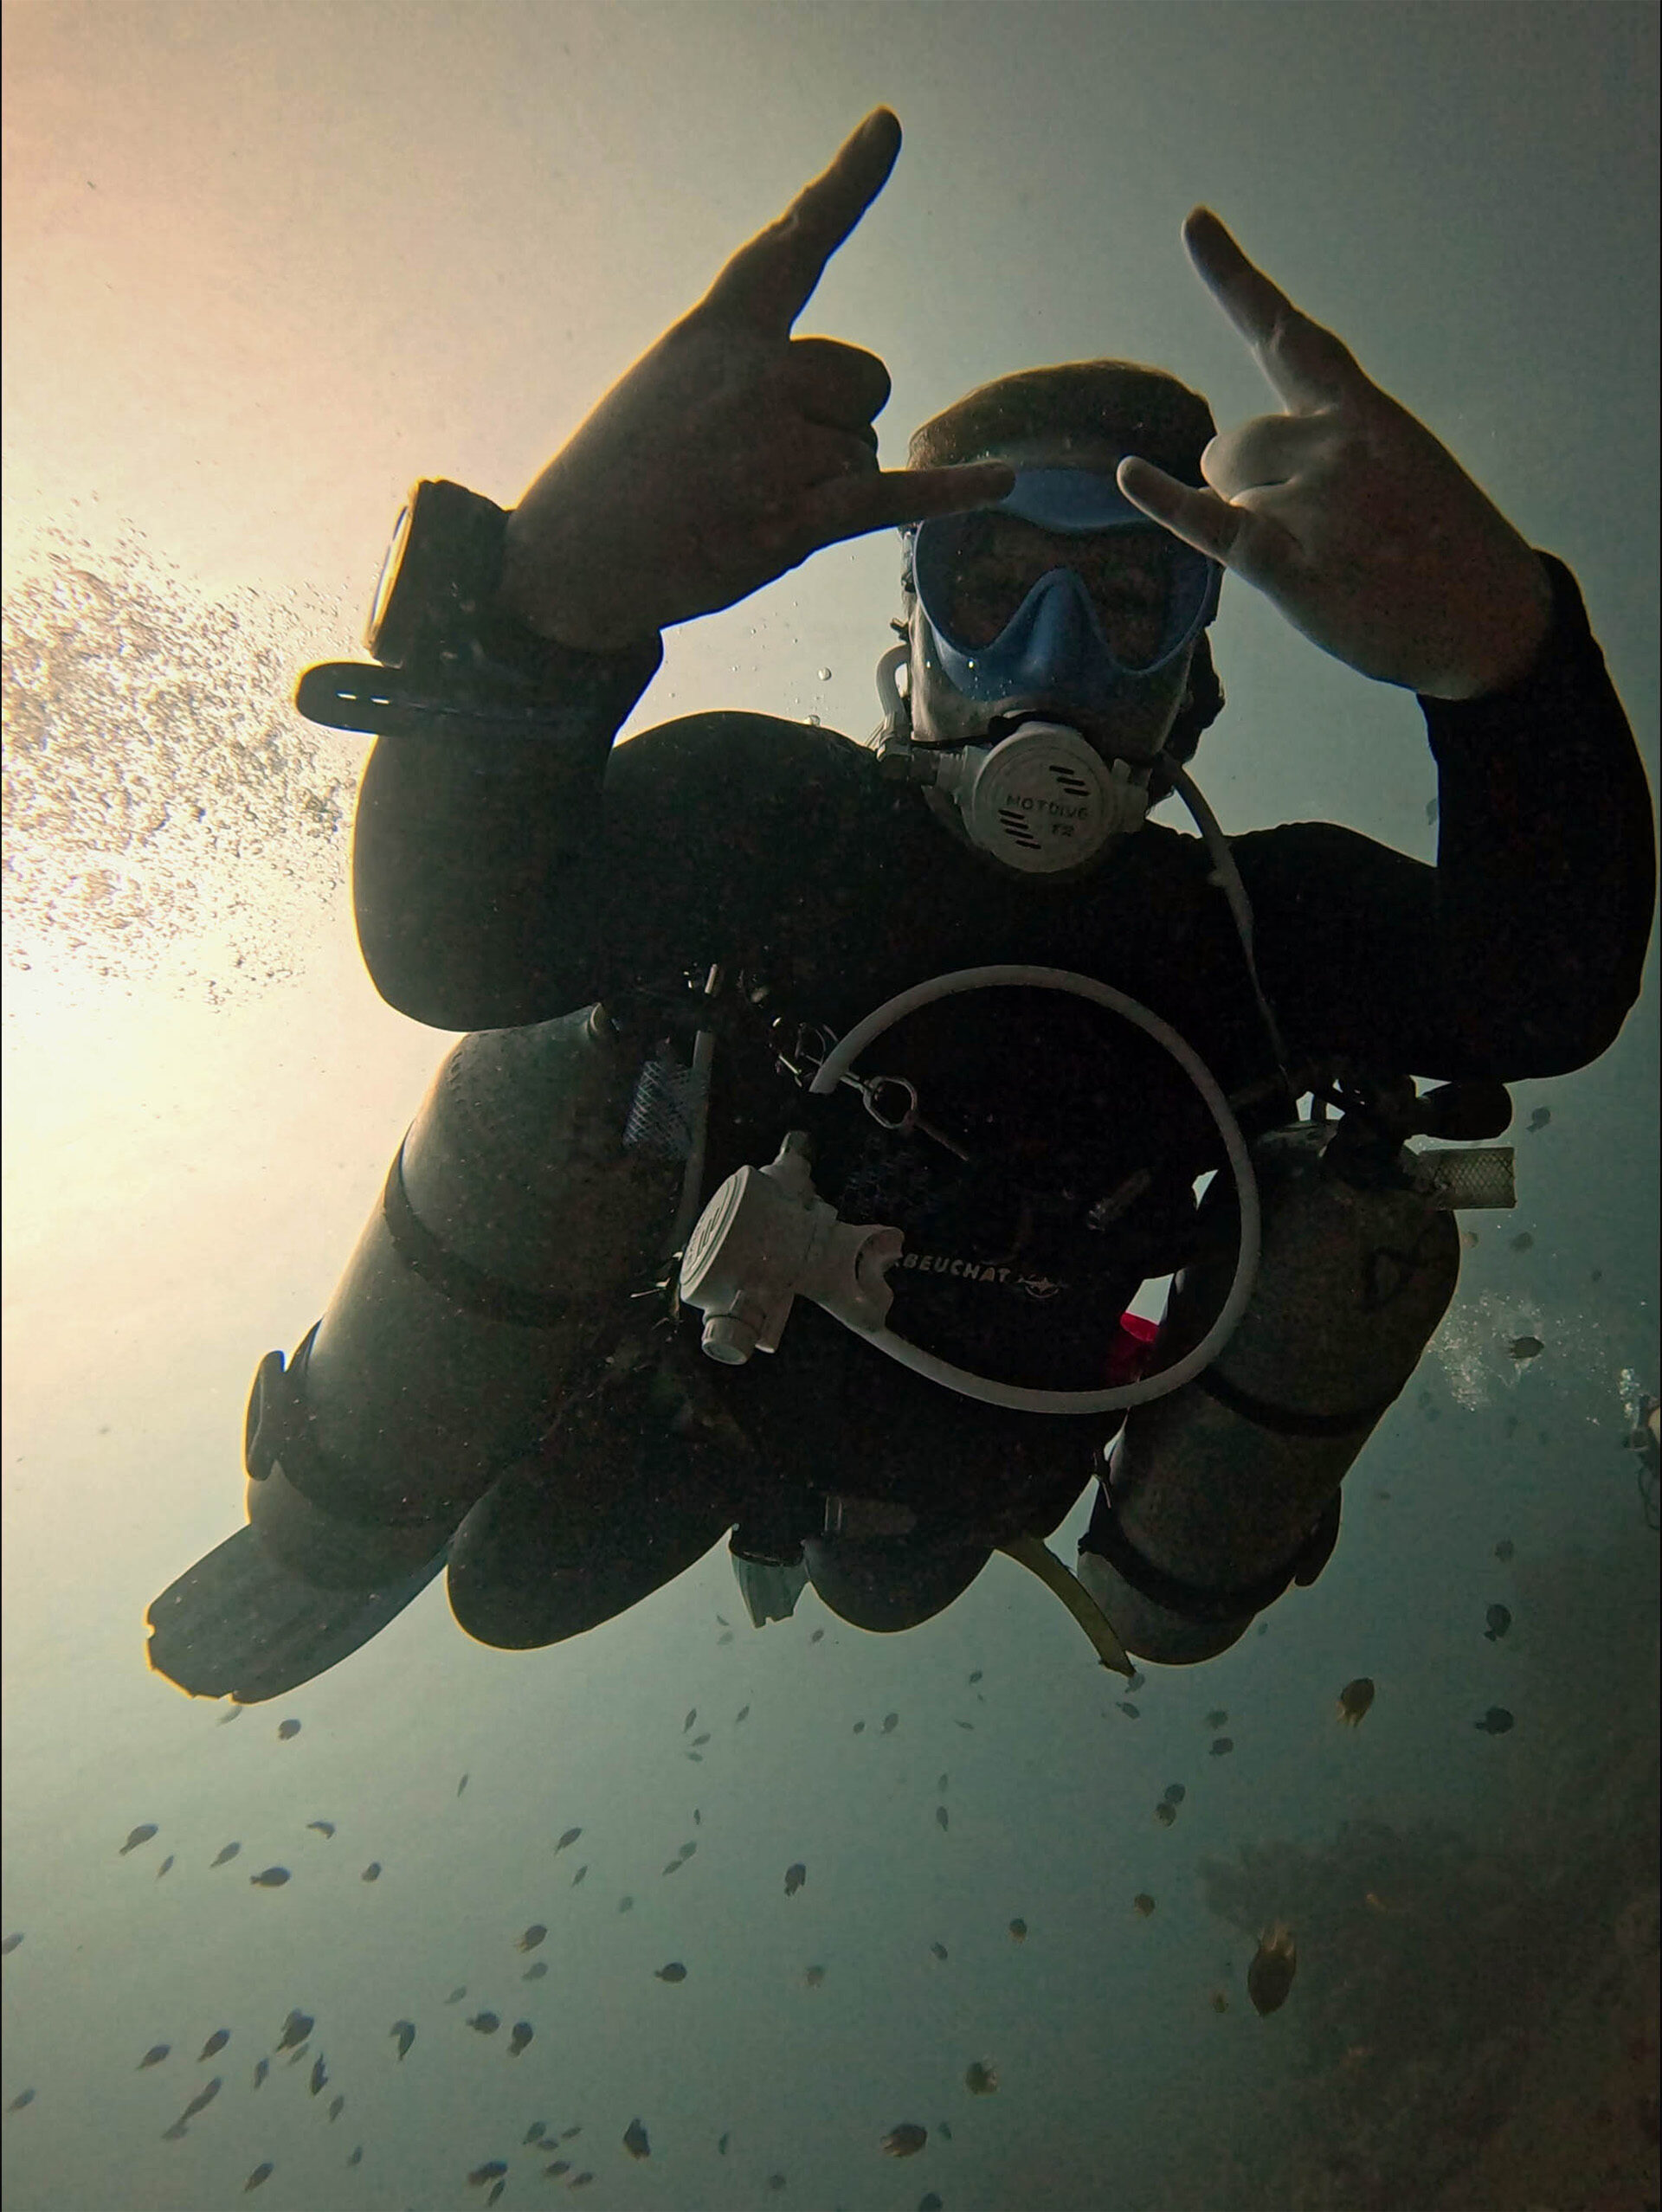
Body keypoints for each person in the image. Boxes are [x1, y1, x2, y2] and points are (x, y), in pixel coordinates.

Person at [287, 108, 1652, 1667]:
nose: (1053, 657)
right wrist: (542, 616)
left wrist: (1508, 667)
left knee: (884, 1591)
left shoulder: (1253, 930)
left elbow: (1540, 997)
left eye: (1128, 597)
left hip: (994, 1459)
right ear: (910, 638)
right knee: (508, 1590)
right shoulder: (765, 817)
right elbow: (455, 950)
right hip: (709, 1392)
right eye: (989, 588)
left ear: (1197, 675)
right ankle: (359, 1505)